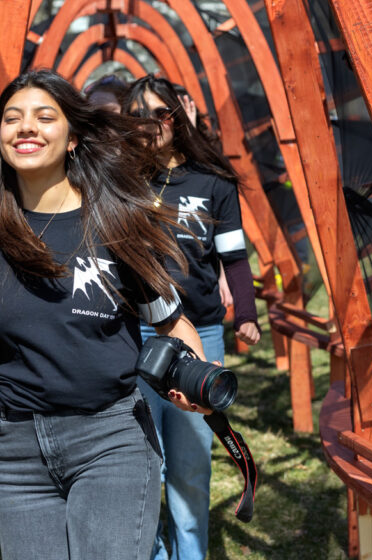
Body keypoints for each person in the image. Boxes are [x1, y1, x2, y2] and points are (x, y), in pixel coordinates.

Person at [0, 68, 208, 560]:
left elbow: (172, 322)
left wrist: (195, 384)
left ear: (73, 138)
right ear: (0, 137)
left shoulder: (114, 221)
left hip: (111, 439)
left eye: (44, 117)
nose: (25, 127)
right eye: (12, 118)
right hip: (17, 448)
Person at [123, 75, 260, 560]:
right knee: (142, 462)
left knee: (190, 465)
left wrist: (245, 311)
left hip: (200, 334)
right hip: (133, 335)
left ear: (177, 118)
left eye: (160, 114)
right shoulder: (122, 183)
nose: (151, 125)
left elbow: (235, 257)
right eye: (139, 116)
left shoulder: (213, 183)